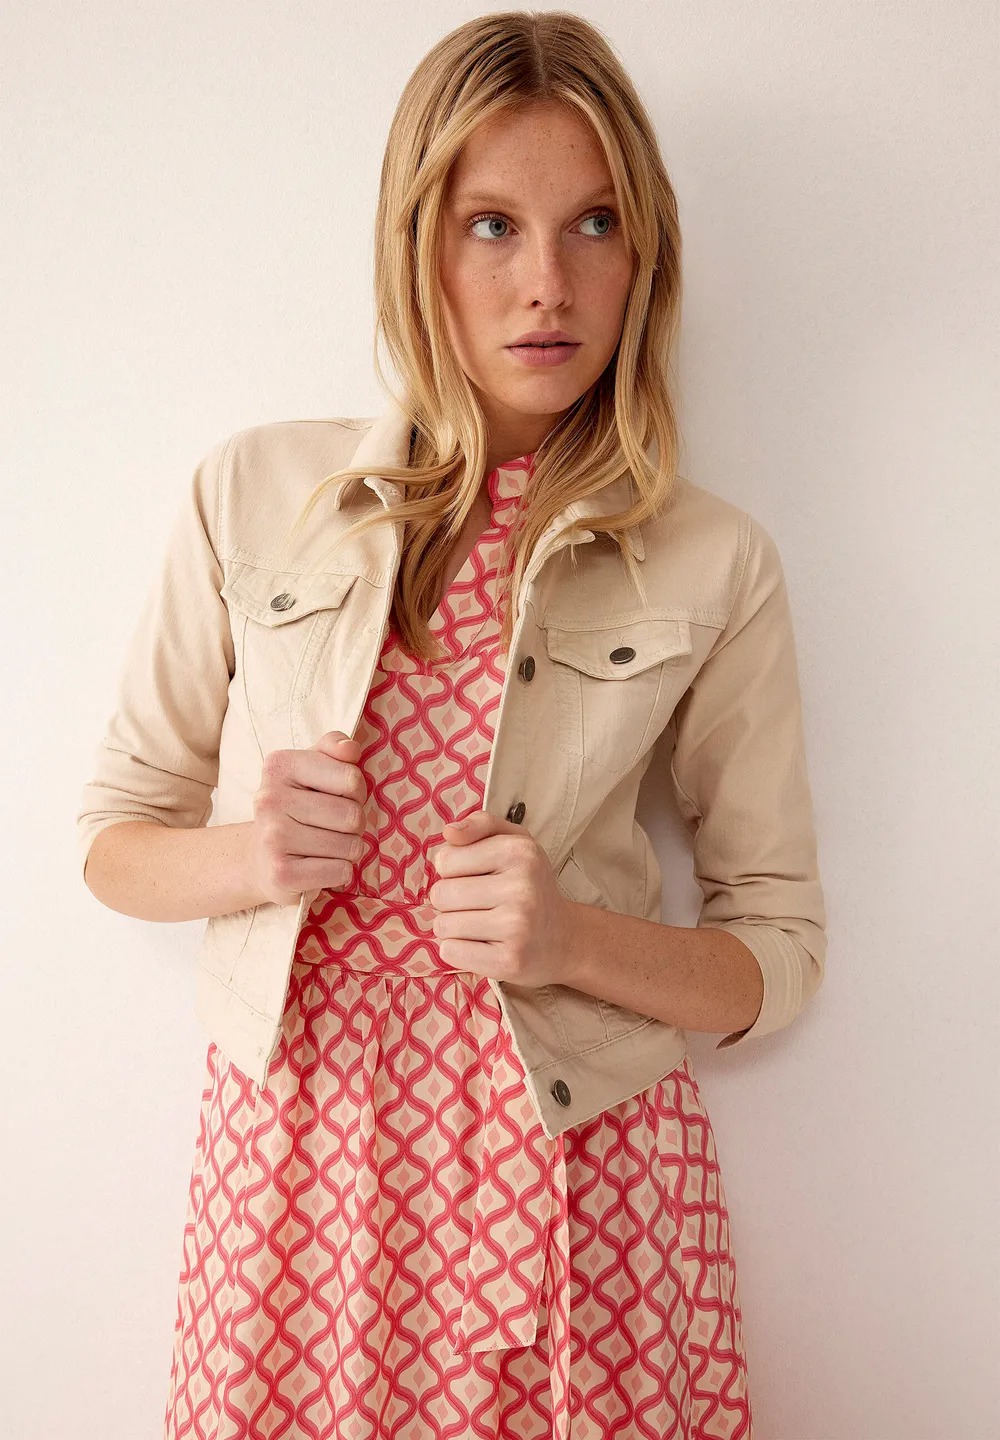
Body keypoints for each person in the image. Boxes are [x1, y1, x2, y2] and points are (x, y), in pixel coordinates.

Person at [79, 11, 828, 1439]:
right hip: (302, 1173)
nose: (548, 283)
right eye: (492, 224)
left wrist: (571, 942)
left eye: (595, 223)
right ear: (415, 242)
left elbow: (776, 955)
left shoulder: (715, 560)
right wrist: (248, 858)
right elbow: (113, 837)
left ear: (647, 253)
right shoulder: (252, 493)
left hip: (581, 1176)